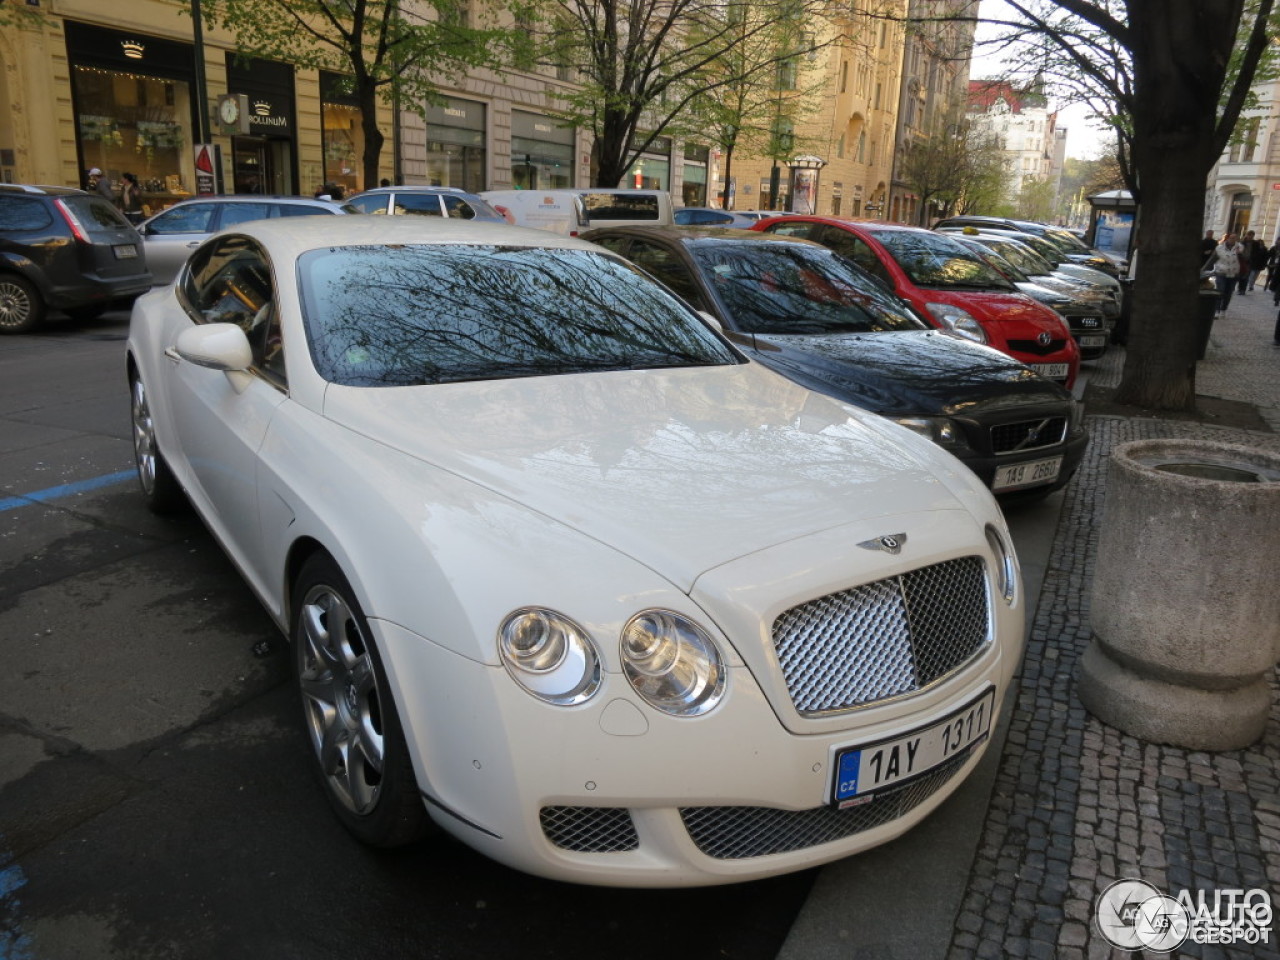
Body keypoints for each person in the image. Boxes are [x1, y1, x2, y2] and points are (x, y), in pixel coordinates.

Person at [1209, 233, 1243, 316]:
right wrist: (1204, 270)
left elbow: (1247, 258)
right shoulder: (1219, 248)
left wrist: (1240, 253)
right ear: (1227, 239)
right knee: (1220, 291)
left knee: (1228, 293)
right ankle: (1217, 310)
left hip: (1233, 274)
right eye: (1231, 238)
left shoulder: (1240, 247)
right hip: (1221, 272)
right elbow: (1212, 259)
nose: (1232, 240)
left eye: (1234, 238)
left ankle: (1223, 309)